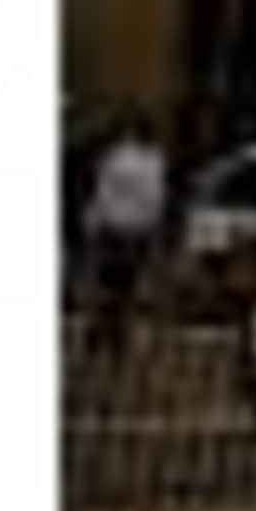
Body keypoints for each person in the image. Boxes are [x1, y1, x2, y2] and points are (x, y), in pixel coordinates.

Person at [80, 114, 168, 356]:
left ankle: (100, 331)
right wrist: (154, 230)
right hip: (136, 231)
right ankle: (116, 335)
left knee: (106, 283)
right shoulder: (153, 161)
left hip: (111, 228)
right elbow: (155, 200)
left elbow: (102, 193)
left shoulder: (113, 158)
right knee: (127, 285)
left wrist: (92, 223)